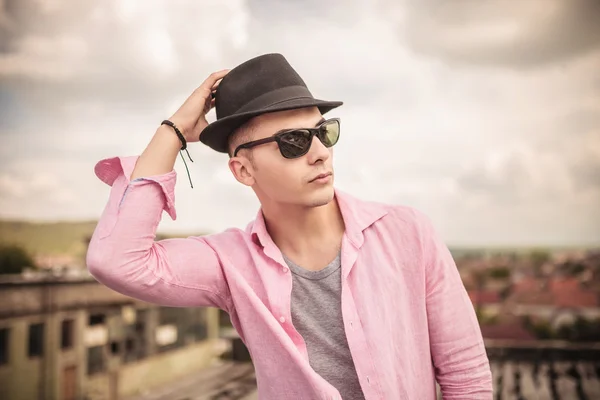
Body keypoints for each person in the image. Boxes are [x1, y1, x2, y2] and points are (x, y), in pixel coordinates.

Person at [87, 53, 493, 400]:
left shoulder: (408, 233)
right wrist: (173, 130)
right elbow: (117, 261)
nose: (319, 153)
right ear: (243, 170)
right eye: (293, 142)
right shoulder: (231, 265)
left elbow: (466, 374)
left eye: (323, 133)